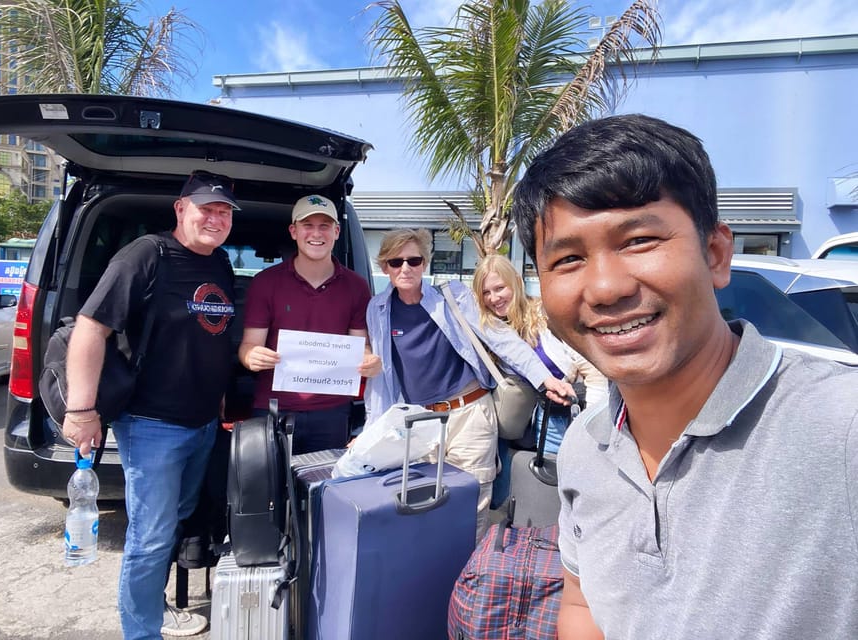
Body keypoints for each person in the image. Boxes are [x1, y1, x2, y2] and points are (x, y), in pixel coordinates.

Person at [511, 113, 858, 639]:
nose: (605, 288)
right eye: (569, 259)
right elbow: (583, 604)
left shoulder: (842, 426)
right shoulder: (585, 444)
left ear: (716, 254)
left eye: (638, 240)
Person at [62, 170, 239, 639]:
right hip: (152, 424)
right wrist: (81, 410)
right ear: (181, 209)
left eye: (224, 212)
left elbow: (209, 337)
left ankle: (152, 607)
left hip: (202, 424)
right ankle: (141, 632)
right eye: (207, 209)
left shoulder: (219, 264)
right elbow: (89, 329)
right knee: (151, 537)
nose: (216, 219)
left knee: (175, 521)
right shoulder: (146, 255)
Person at [364, 229, 573, 540]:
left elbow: (501, 340)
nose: (405, 268)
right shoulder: (378, 309)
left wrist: (544, 379)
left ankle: (468, 581)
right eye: (396, 262)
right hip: (421, 422)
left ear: (425, 264)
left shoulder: (453, 296)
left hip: (470, 414)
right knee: (426, 508)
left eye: (414, 260)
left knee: (472, 507)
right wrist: (372, 432)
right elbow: (382, 378)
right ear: (384, 268)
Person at [239, 194, 381, 454]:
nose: (316, 233)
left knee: (321, 490)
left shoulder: (356, 287)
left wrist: (370, 361)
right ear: (294, 231)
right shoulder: (265, 282)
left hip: (332, 412)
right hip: (273, 408)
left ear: (337, 232)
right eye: (308, 225)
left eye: (324, 226)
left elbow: (361, 346)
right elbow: (249, 346)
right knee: (269, 493)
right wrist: (252, 357)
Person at [472, 254, 608, 453]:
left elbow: (594, 372)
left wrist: (591, 425)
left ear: (517, 282)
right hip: (513, 428)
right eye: (486, 292)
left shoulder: (545, 316)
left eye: (500, 288)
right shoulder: (487, 331)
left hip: (559, 420)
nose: (494, 298)